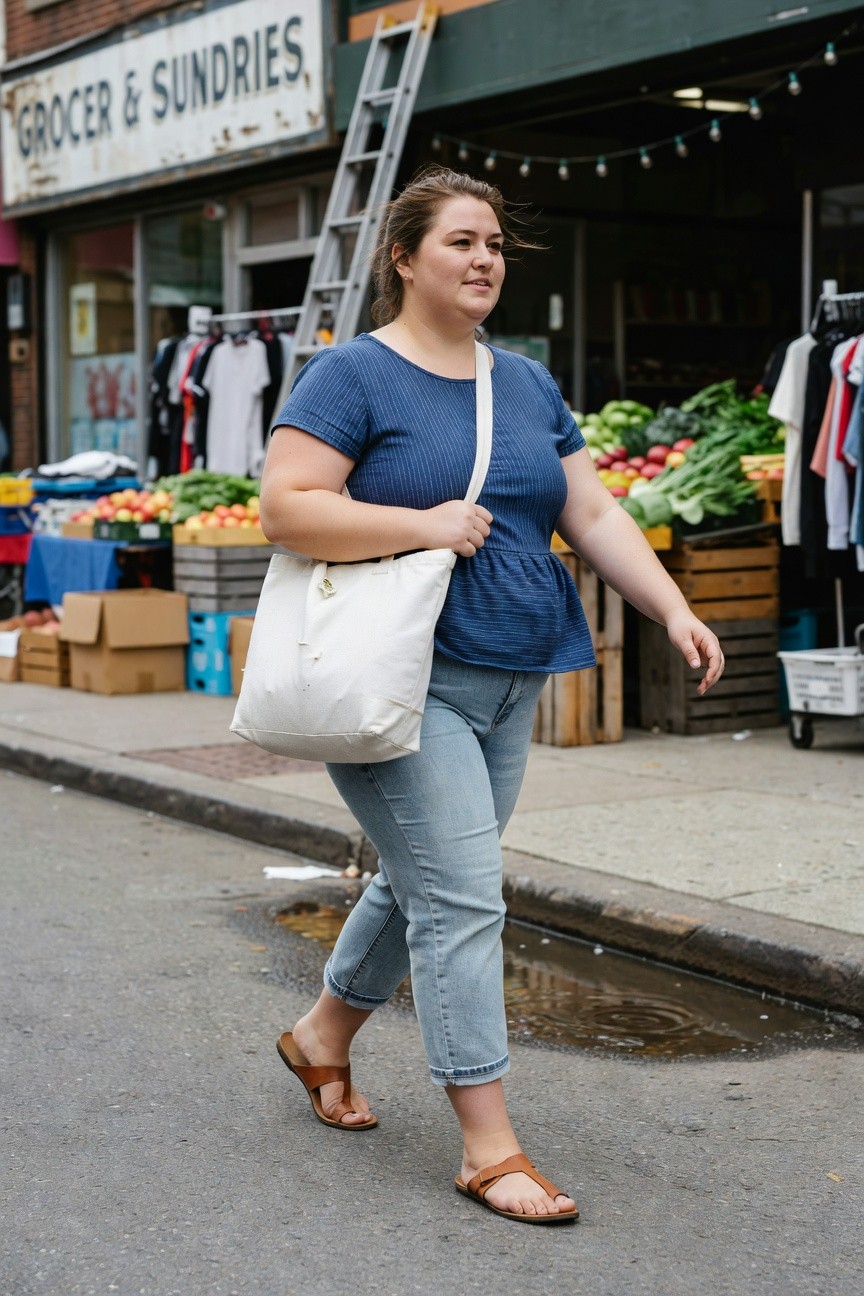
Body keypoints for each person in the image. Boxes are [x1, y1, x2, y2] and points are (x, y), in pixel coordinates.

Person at [258, 166, 724, 1224]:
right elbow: (286, 508)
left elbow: (591, 511)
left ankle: (322, 1037)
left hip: (512, 674)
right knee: (465, 897)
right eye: (462, 241)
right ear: (405, 257)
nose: (484, 261)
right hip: (401, 681)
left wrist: (671, 607)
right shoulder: (352, 376)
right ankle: (489, 1146)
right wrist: (422, 524)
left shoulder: (521, 380)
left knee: (428, 877)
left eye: (497, 246)